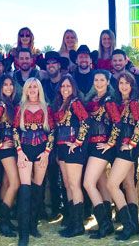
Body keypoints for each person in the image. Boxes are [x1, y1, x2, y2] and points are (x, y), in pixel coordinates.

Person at [13, 78, 54, 246]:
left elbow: (52, 132)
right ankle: (23, 233)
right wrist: (19, 152)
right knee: (25, 190)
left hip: (42, 150)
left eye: (35, 87)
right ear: (25, 89)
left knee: (38, 188)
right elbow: (15, 130)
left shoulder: (46, 107)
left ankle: (33, 225)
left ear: (39, 89)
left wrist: (46, 153)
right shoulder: (20, 107)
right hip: (24, 149)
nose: (32, 89)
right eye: (29, 87)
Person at [105, 71, 139, 241]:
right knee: (128, 184)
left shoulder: (134, 103)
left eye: (127, 83)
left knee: (112, 184)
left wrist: (132, 143)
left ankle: (128, 225)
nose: (124, 86)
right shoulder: (117, 102)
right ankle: (135, 225)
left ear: (132, 85)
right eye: (121, 83)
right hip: (120, 147)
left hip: (127, 148)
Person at [82, 70, 118, 239]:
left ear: (108, 82)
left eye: (102, 80)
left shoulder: (109, 100)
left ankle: (104, 224)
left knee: (88, 183)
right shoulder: (93, 99)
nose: (98, 83)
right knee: (101, 183)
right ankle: (107, 222)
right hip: (92, 145)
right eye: (96, 80)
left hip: (101, 146)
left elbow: (117, 123)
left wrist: (110, 142)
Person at [52, 74, 89, 238]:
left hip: (73, 149)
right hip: (61, 148)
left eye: (68, 86)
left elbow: (85, 122)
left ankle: (78, 225)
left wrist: (78, 142)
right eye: (63, 86)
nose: (65, 89)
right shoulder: (60, 104)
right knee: (67, 185)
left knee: (74, 185)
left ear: (73, 88)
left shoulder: (75, 103)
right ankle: (72, 221)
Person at [37, 51, 69, 220]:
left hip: (63, 132)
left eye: (54, 63)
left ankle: (62, 208)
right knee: (44, 171)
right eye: (48, 63)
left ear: (59, 66)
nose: (51, 65)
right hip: (44, 132)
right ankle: (41, 209)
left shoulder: (66, 84)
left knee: (63, 173)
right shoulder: (42, 84)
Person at [0, 75, 20, 237]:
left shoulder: (11, 104)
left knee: (7, 182)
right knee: (15, 183)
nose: (8, 87)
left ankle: (5, 220)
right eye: (5, 85)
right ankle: (2, 221)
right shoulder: (1, 105)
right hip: (6, 149)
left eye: (11, 84)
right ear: (0, 88)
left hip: (12, 148)